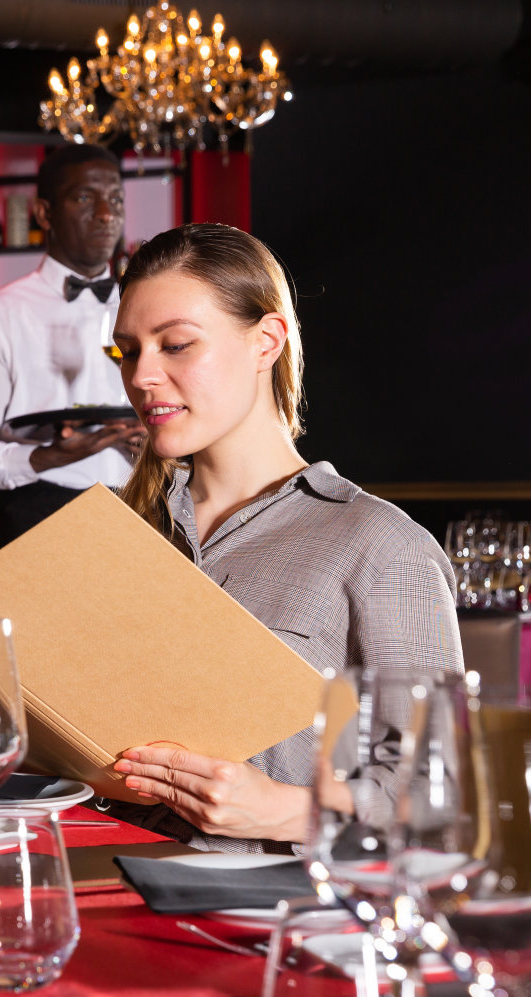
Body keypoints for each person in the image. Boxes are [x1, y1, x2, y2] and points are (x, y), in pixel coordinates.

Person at [105, 223, 462, 852]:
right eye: (129, 351)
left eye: (177, 345)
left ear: (267, 341)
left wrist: (286, 813)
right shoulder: (120, 531)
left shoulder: (382, 547)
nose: (143, 376)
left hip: (268, 924)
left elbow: (443, 797)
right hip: (103, 889)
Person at [0, 143, 146, 547]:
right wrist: (48, 456)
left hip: (145, 510)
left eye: (116, 199)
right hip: (39, 517)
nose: (107, 214)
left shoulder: (144, 305)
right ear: (44, 213)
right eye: (85, 197)